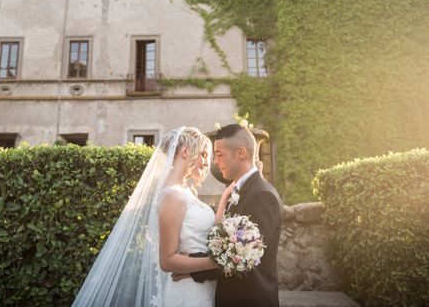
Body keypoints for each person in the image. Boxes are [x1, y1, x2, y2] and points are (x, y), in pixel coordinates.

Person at [72, 127, 220, 307]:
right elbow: (167, 261)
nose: (207, 163)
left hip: (203, 286)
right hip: (188, 293)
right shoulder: (172, 197)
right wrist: (217, 263)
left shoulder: (185, 192)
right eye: (203, 155)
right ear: (185, 151)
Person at [189, 123, 284, 307]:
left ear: (241, 153)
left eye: (219, 154)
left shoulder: (262, 196)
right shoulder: (239, 191)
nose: (215, 161)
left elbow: (243, 260)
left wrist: (190, 267)